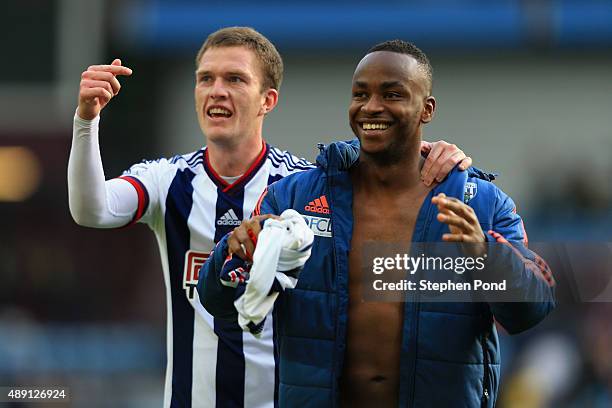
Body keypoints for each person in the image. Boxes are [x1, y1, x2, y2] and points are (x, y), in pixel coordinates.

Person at [68, 27, 472, 407]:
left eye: (235, 79)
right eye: (205, 78)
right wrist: (86, 120)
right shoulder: (167, 179)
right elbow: (92, 209)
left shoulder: (302, 187)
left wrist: (426, 149)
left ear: (268, 100)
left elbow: (381, 163)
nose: (217, 91)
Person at [198, 39, 556, 407]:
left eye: (392, 94)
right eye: (360, 94)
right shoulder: (293, 199)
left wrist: (484, 255)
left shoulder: (481, 204)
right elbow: (220, 301)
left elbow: (530, 310)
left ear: (426, 109)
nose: (371, 107)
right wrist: (234, 252)